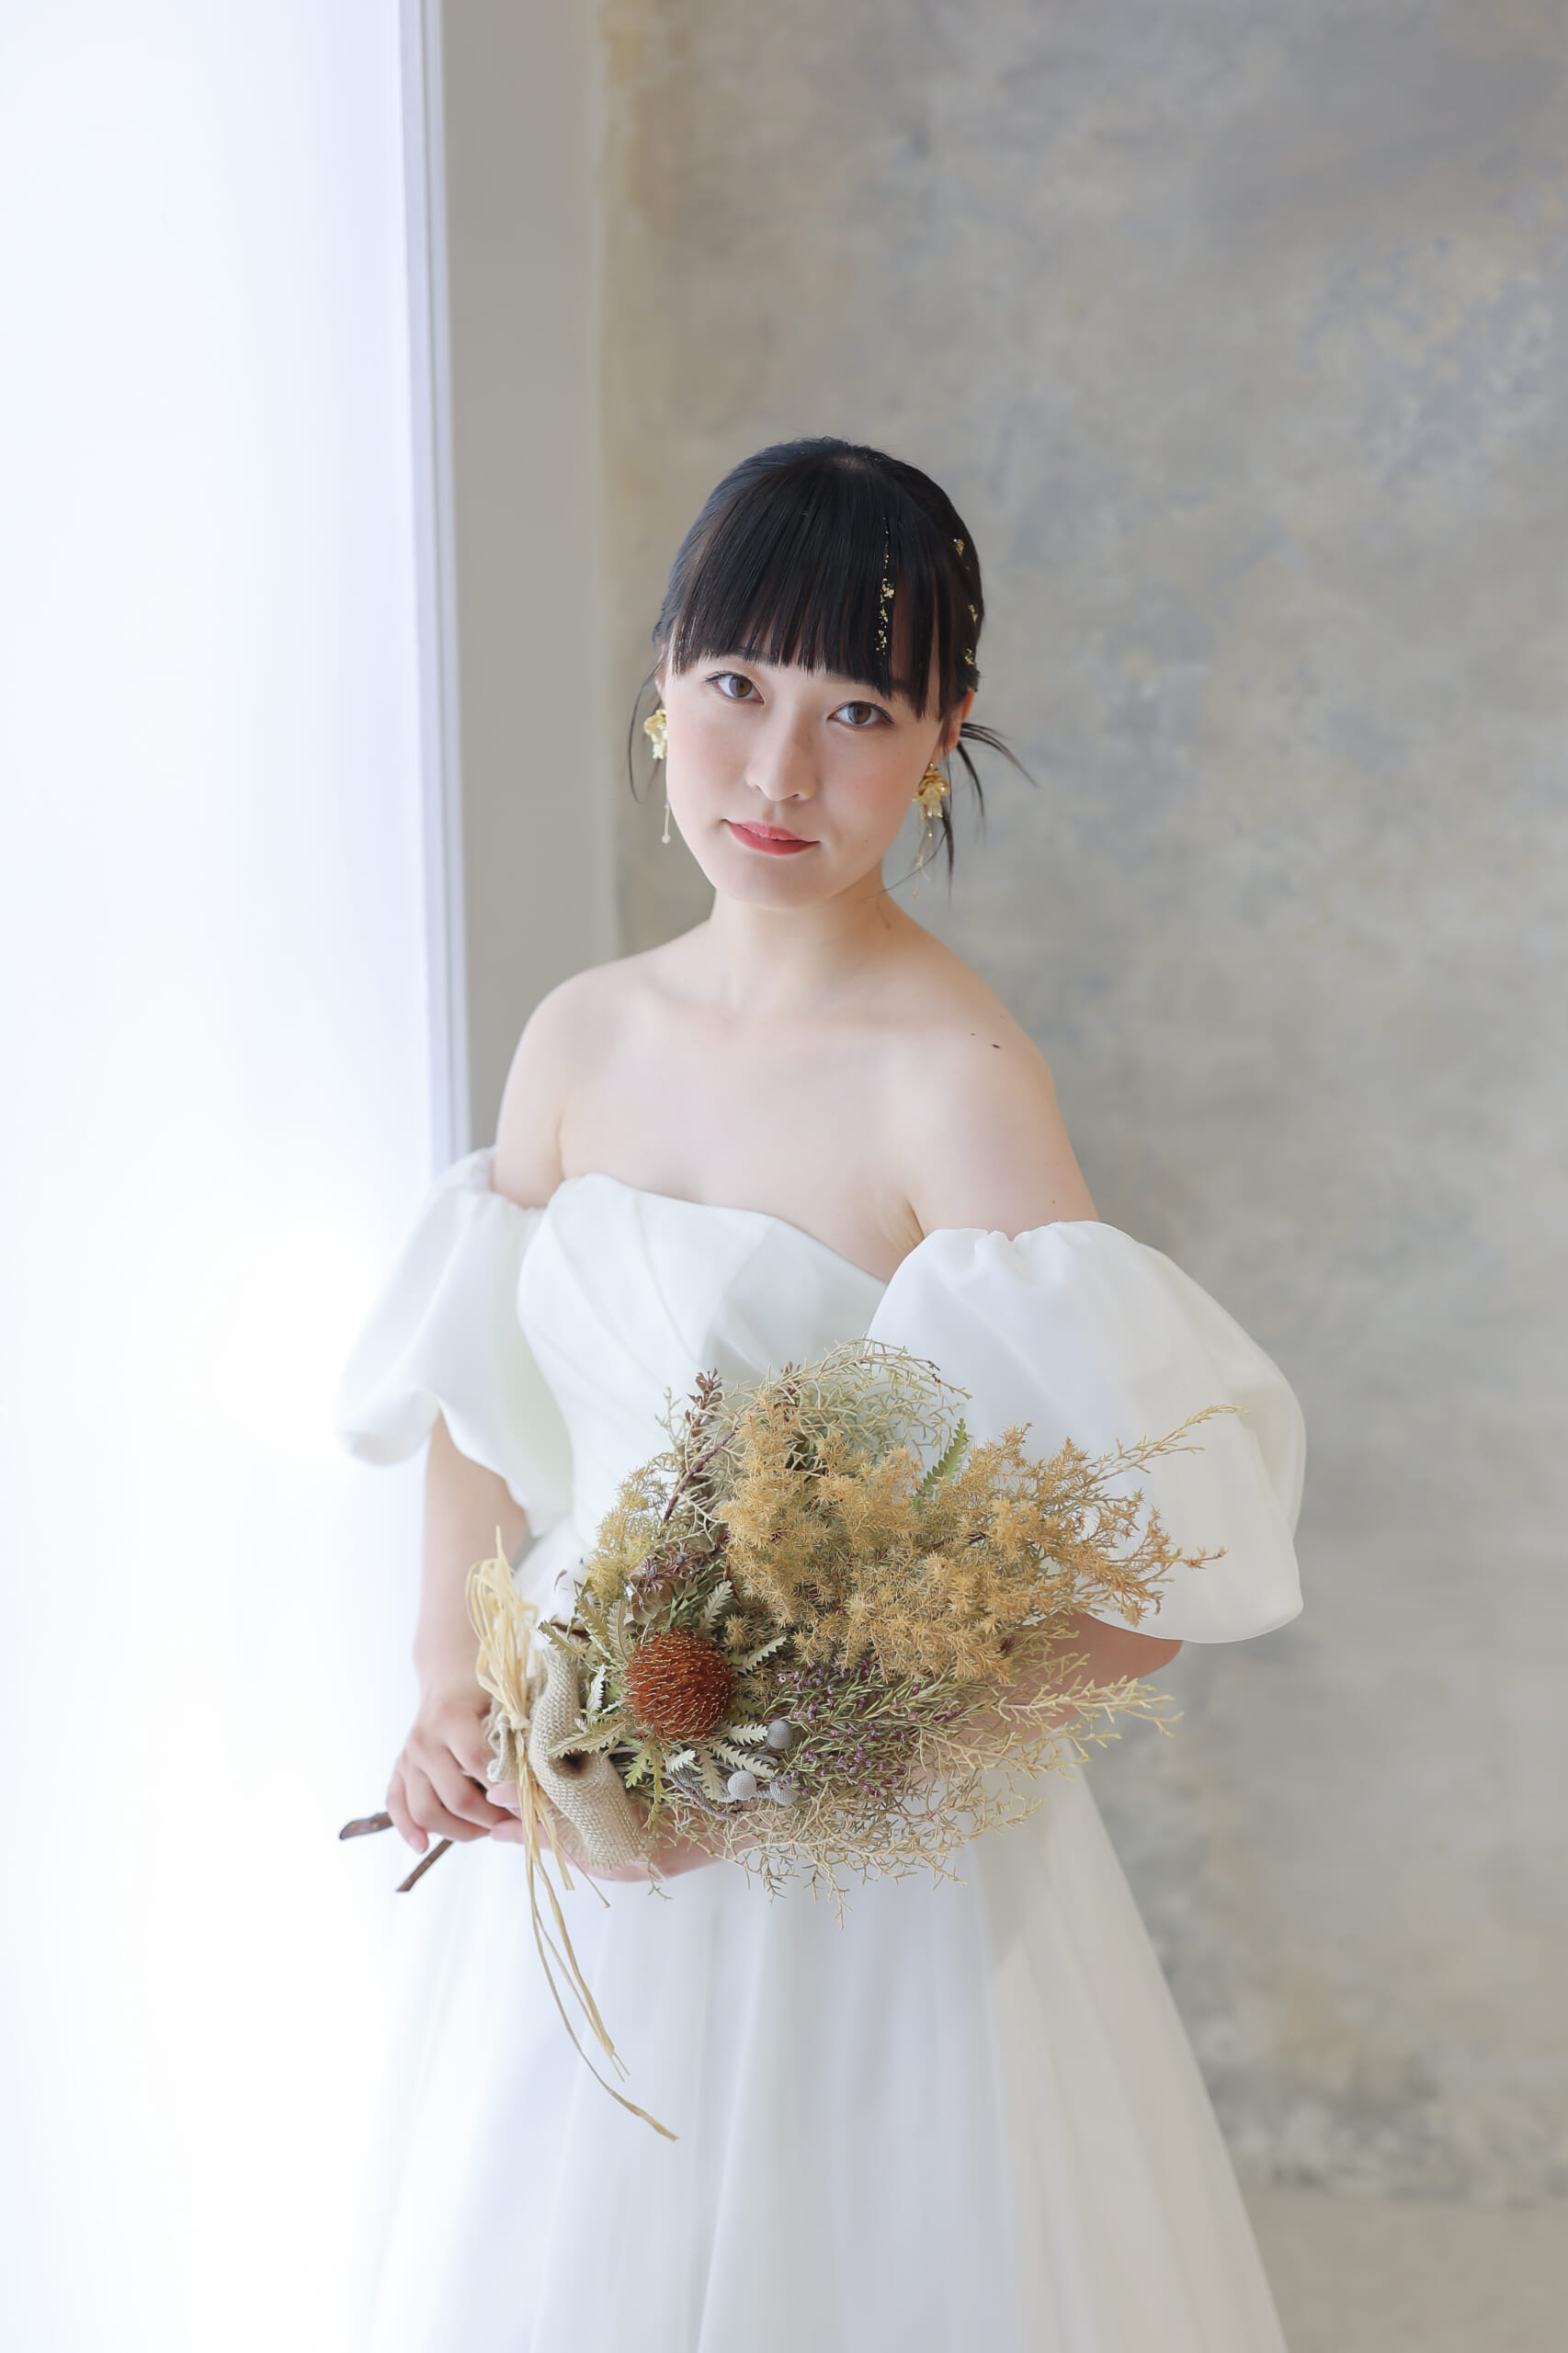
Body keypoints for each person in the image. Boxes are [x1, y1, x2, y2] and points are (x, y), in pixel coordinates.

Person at [338, 438, 1304, 2352]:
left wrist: (788, 1775)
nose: (778, 771)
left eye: (857, 709)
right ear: (662, 683)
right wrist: (451, 1679)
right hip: (574, 1791)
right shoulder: (579, 1035)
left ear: (943, 733)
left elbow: (1134, 1588)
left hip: (860, 1867)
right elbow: (478, 1405)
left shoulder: (951, 1078)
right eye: (736, 685)